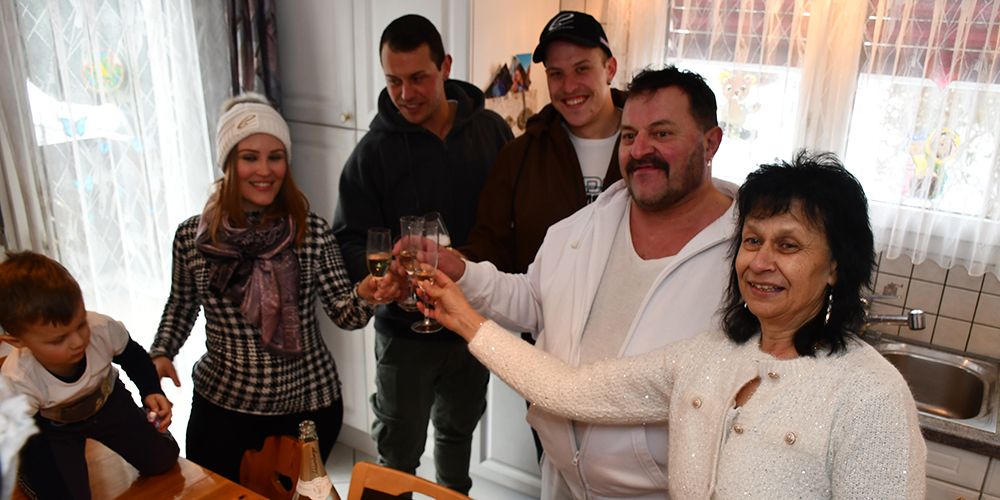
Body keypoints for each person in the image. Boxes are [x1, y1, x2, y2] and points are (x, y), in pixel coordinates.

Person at [421, 151, 928, 499]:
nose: (761, 262)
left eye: (788, 245)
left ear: (837, 264)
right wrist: (465, 319)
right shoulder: (706, 358)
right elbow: (567, 390)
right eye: (752, 241)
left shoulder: (869, 394)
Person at [422, 66, 737, 499]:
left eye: (661, 134)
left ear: (710, 142)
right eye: (629, 136)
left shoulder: (749, 258)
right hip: (560, 480)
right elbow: (535, 302)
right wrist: (464, 273)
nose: (640, 149)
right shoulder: (581, 228)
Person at [150, 93, 382, 482]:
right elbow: (181, 303)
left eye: (275, 156)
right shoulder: (193, 237)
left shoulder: (311, 231)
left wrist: (369, 293)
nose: (265, 169)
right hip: (224, 407)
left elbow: (346, 313)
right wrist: (161, 352)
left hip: (309, 408)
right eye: (249, 157)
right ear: (228, 162)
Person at [331, 14, 513, 495]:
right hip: (403, 335)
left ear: (445, 67)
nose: (405, 94)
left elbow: (513, 223)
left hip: (472, 325)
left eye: (418, 79)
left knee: (457, 440)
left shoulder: (491, 132)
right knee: (397, 455)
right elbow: (348, 240)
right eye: (393, 81)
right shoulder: (371, 154)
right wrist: (372, 281)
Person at [0, 251, 179, 500]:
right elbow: (29, 441)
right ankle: (26, 477)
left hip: (109, 403)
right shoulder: (18, 379)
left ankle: (148, 432)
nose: (77, 342)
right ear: (17, 341)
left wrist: (151, 390)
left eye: (80, 324)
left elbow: (134, 357)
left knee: (163, 460)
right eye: (58, 340)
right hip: (54, 427)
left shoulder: (100, 328)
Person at [459, 10, 624, 274]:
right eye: (556, 73)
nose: (569, 87)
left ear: (610, 69)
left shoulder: (647, 148)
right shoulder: (518, 156)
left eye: (581, 69)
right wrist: (454, 263)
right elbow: (489, 248)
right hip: (539, 314)